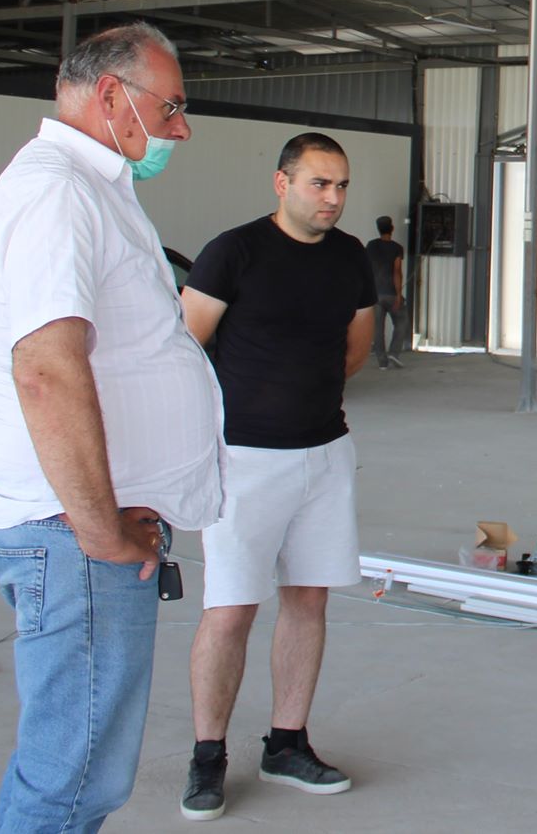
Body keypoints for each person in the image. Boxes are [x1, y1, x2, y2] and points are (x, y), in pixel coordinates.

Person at [0, 22, 223, 833]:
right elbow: (45, 368)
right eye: (170, 106)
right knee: (70, 782)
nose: (180, 128)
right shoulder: (57, 193)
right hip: (73, 533)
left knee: (77, 773)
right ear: (112, 96)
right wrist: (102, 528)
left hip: (79, 528)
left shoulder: (93, 187)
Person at [178, 133, 377, 821]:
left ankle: (287, 743)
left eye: (342, 185)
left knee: (308, 600)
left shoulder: (350, 257)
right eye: (320, 183)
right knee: (231, 607)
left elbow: (354, 349)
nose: (333, 198)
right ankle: (208, 756)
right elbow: (183, 350)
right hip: (243, 460)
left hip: (325, 454)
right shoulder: (233, 252)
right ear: (282, 182)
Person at [365, 215, 407, 369]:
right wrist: (398, 295)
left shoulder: (371, 246)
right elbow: (397, 272)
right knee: (402, 321)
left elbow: (366, 268)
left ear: (378, 229)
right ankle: (394, 353)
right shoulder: (396, 248)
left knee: (378, 328)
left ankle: (382, 362)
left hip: (375, 294)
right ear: (392, 228)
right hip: (390, 293)